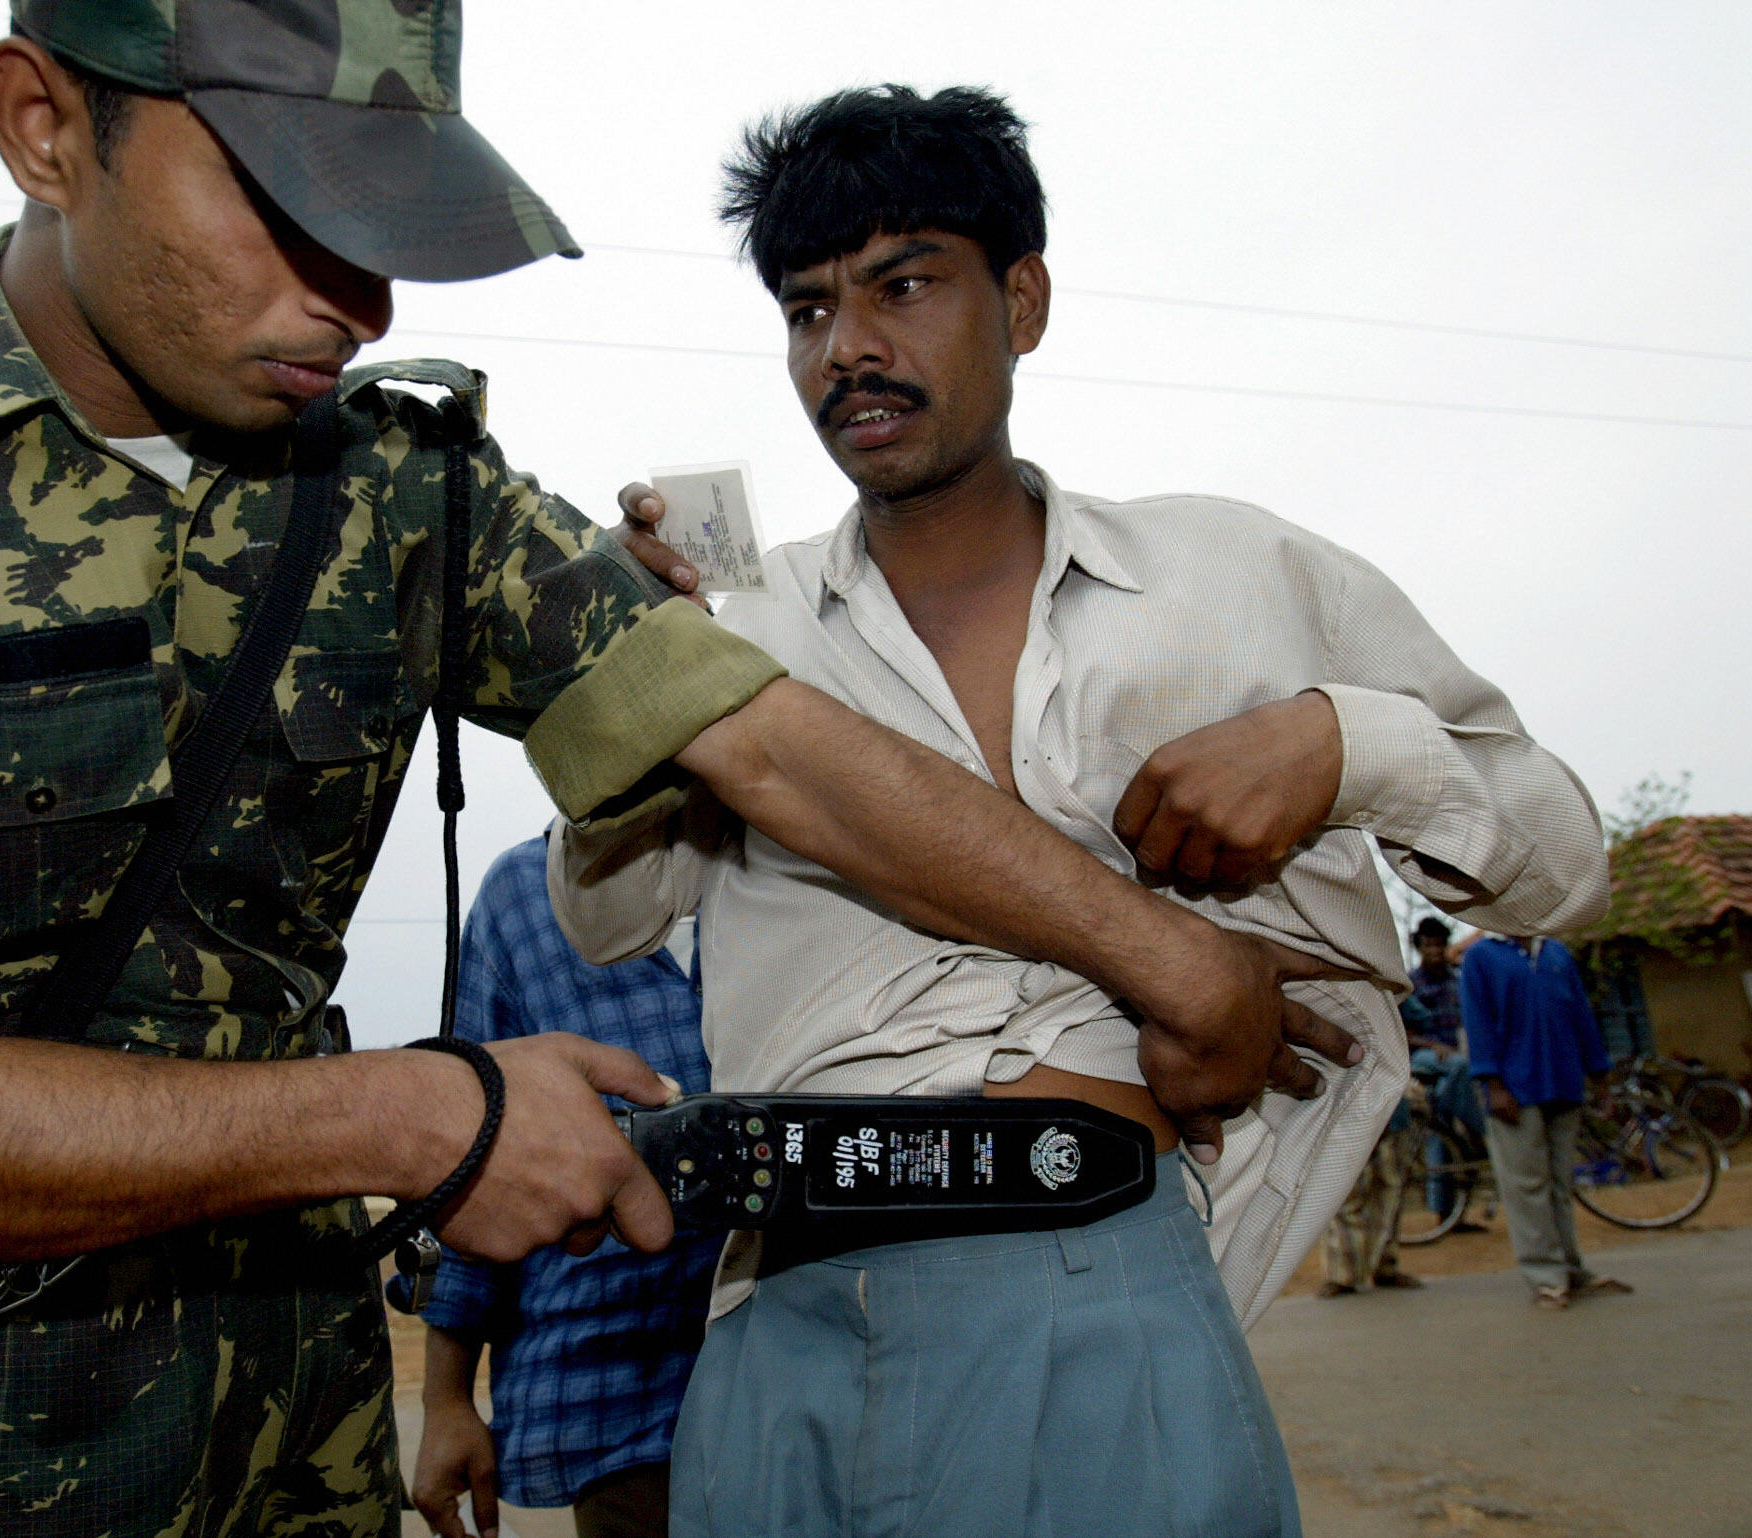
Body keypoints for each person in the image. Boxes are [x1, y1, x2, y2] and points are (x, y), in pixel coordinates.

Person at [0, 13, 1354, 1537]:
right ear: (44, 126)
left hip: (313, 1461)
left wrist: (1168, 955)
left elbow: (779, 747)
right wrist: (418, 1118)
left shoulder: (400, 486)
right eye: (279, 202)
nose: (353, 291)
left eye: (384, 213)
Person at [569, 85, 1611, 1535]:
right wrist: (625, 686)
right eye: (808, 310)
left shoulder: (1233, 573)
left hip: (1098, 1277)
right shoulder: (734, 632)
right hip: (775, 1316)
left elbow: (1563, 863)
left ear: (1025, 298)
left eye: (905, 285)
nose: (848, 348)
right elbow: (611, 918)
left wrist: (1339, 748)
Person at [410, 838, 718, 1538]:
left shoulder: (797, 858)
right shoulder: (522, 898)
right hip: (617, 1396)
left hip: (808, 1370)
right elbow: (467, 1166)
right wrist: (446, 1401)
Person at [1462, 934, 1633, 1309]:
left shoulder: (1556, 952)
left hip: (1563, 1079)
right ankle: (1545, 1275)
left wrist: (1599, 1076)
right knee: (1527, 1184)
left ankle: (1571, 1269)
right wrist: (1493, 1084)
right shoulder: (1480, 957)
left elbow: (1581, 1016)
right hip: (1514, 1086)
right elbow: (1479, 1025)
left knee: (1560, 1182)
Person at [1317, 1080, 1426, 1296]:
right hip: (1347, 1114)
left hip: (1392, 1111)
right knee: (1345, 1196)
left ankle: (1385, 1265)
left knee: (1389, 1194)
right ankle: (1342, 1274)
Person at [1408, 917, 1482, 1137]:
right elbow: (1403, 1033)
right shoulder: (1410, 983)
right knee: (1459, 1066)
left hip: (1455, 1050)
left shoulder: (1455, 980)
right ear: (1420, 948)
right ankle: (1482, 1133)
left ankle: (1443, 1126)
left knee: (1441, 1106)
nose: (1435, 951)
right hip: (1423, 1056)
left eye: (1439, 944)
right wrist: (1433, 1046)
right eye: (1428, 945)